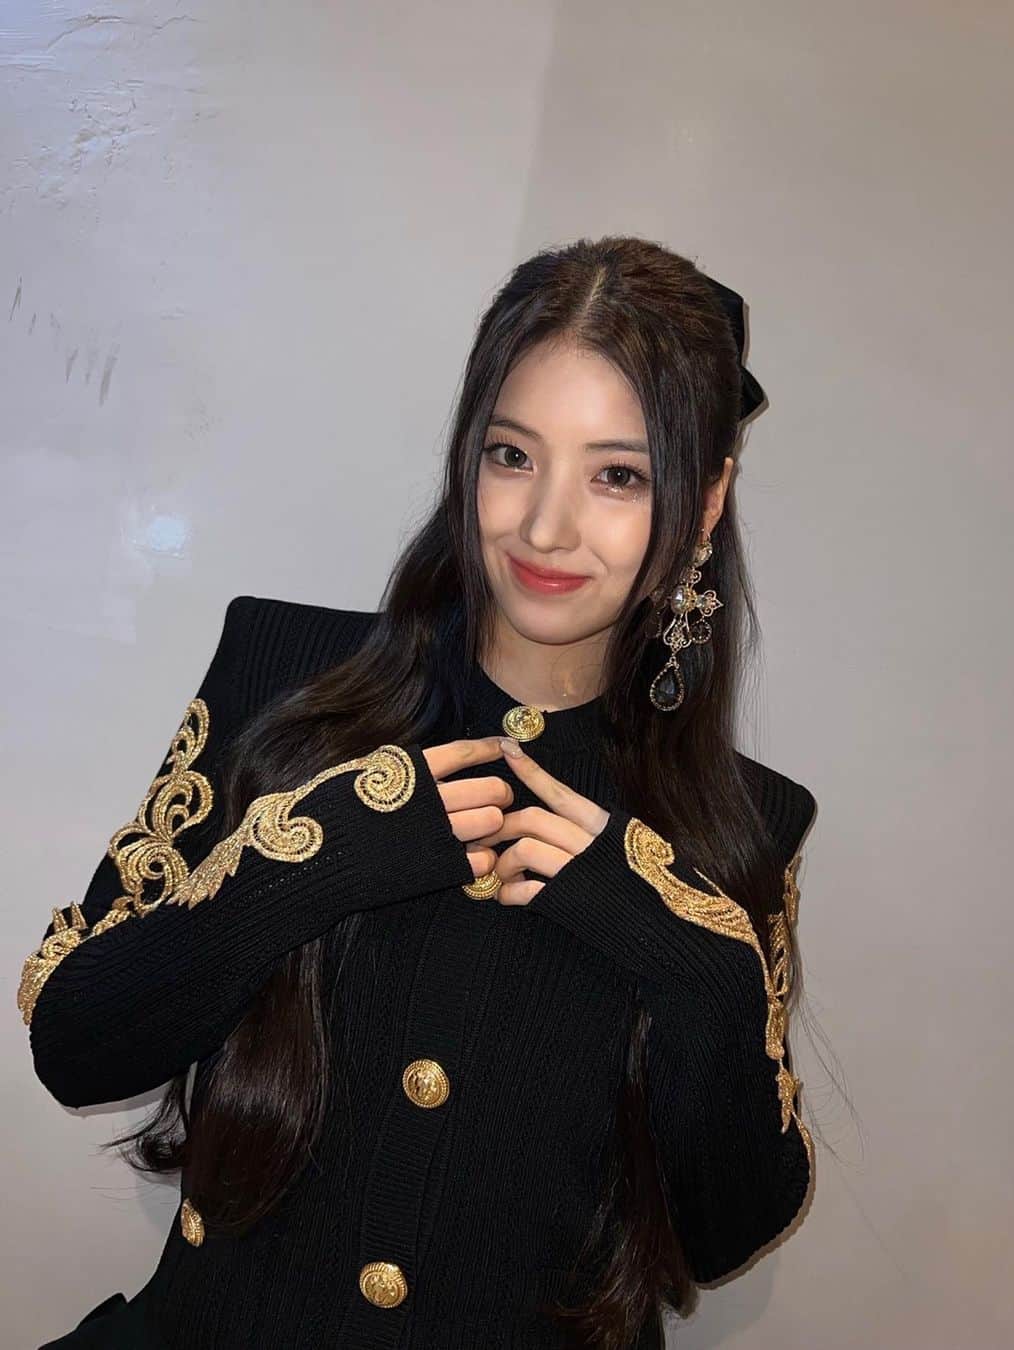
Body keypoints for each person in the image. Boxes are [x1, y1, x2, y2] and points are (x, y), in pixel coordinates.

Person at [22, 234, 817, 1350]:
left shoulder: (744, 822)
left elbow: (721, 1233)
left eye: (618, 476)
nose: (545, 527)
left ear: (705, 499)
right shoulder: (282, 677)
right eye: (512, 456)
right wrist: (302, 865)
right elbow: (75, 1041)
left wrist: (693, 967)